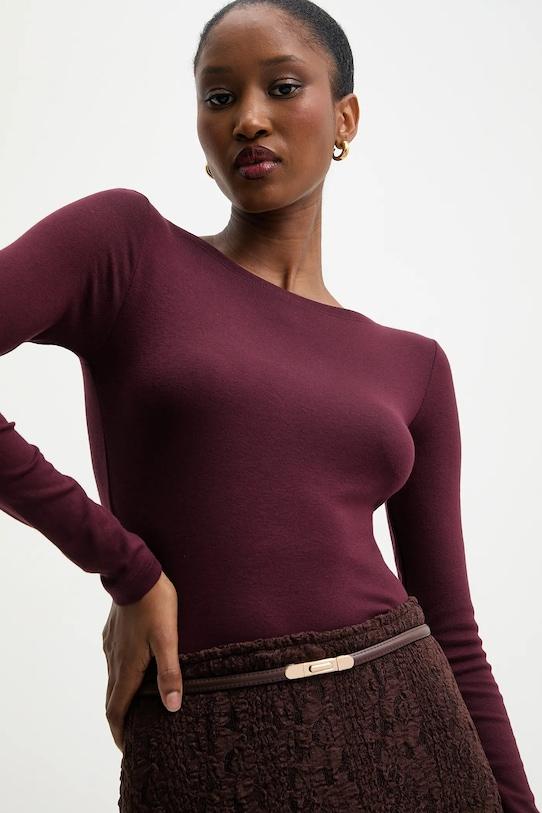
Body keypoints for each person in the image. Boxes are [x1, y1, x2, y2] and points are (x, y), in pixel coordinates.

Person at [0, 1, 538, 810]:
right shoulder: (126, 247)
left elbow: (456, 631)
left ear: (345, 118)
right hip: (207, 733)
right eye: (219, 98)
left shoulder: (414, 365)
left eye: (283, 87)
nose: (249, 118)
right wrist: (127, 568)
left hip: (412, 725)